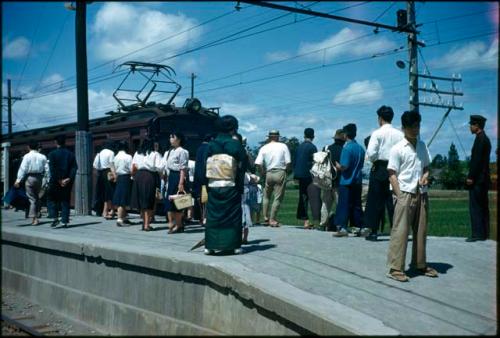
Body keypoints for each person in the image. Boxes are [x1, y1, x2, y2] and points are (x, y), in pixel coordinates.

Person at [386, 110, 438, 282]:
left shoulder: (422, 146)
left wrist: (425, 176)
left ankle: (420, 264)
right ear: (404, 128)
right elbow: (392, 173)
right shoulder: (397, 149)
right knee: (400, 231)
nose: (416, 129)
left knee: (421, 231)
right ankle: (395, 268)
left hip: (421, 193)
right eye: (412, 127)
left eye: (417, 126)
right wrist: (399, 195)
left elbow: (426, 167)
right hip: (404, 194)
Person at [204, 115, 247, 255]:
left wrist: (206, 185)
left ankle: (210, 246)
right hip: (230, 183)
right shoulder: (235, 145)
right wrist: (239, 185)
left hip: (213, 184)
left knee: (213, 215)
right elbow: (242, 167)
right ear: (233, 128)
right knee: (233, 215)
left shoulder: (211, 145)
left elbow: (202, 168)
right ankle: (234, 245)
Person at [364, 106, 404, 241]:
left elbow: (371, 153)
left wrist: (375, 161)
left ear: (380, 118)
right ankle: (397, 230)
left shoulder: (377, 133)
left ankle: (373, 231)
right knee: (393, 200)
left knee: (375, 200)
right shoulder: (400, 134)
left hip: (380, 167)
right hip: (395, 168)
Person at [333, 123, 366, 237]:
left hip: (346, 181)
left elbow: (344, 166)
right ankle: (360, 226)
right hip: (357, 180)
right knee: (357, 204)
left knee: (344, 205)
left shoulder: (347, 148)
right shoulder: (360, 148)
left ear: (345, 134)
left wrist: (337, 165)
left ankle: (342, 227)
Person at [254, 129, 291, 227]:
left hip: (269, 172)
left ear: (269, 137)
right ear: (278, 136)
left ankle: (265, 217)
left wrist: (262, 173)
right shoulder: (283, 146)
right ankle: (273, 219)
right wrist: (286, 171)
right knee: (278, 197)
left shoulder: (264, 147)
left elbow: (258, 163)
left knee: (266, 196)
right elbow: (288, 162)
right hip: (280, 171)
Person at [465, 114, 491, 242]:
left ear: (477, 125)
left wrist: (471, 177)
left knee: (475, 206)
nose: (470, 127)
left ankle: (477, 234)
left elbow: (476, 161)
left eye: (471, 124)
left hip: (478, 180)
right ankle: (484, 233)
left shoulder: (480, 140)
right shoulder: (484, 138)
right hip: (484, 179)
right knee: (483, 206)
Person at [130, 138, 164, 231]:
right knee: (148, 200)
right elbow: (160, 167)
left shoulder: (137, 153)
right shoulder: (155, 154)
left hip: (138, 176)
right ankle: (146, 224)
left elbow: (133, 166)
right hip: (149, 176)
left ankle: (143, 222)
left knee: (141, 200)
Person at [47, 135, 78, 228]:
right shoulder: (71, 154)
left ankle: (55, 218)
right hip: (67, 181)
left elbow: (52, 169)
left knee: (52, 199)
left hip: (55, 181)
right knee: (65, 200)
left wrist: (59, 180)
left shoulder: (52, 154)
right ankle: (64, 221)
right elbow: (74, 168)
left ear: (56, 142)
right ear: (65, 142)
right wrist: (68, 178)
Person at [14, 140, 48, 225]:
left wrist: (18, 180)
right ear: (37, 147)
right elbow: (47, 169)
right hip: (40, 178)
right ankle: (38, 213)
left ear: (29, 147)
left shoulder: (27, 156)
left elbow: (23, 168)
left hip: (30, 178)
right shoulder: (43, 156)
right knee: (37, 197)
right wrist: (48, 180)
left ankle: (34, 218)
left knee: (32, 199)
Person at [294, 127, 321, 229]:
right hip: (309, 175)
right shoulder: (313, 147)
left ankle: (305, 220)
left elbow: (295, 161)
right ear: (313, 136)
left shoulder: (299, 147)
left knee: (303, 197)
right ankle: (317, 220)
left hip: (299, 175)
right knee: (314, 198)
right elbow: (315, 162)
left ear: (304, 135)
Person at [163, 132, 190, 234]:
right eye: (170, 137)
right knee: (170, 201)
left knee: (178, 201)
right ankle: (173, 223)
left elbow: (183, 168)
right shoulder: (171, 151)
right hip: (171, 176)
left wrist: (181, 182)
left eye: (172, 137)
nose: (170, 139)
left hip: (178, 176)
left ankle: (178, 225)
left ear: (179, 139)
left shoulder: (182, 151)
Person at [321, 129, 345, 231]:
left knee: (326, 203)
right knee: (339, 204)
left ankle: (323, 223)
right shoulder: (344, 150)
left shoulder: (326, 149)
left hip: (326, 179)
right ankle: (339, 224)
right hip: (339, 180)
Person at [111, 141, 133, 227]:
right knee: (123, 199)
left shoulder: (116, 157)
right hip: (126, 177)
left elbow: (112, 167)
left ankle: (124, 218)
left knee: (121, 197)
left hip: (119, 177)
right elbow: (131, 169)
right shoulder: (128, 157)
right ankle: (119, 219)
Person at [193, 134, 213, 225]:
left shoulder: (199, 148)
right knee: (206, 199)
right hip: (205, 176)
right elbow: (206, 162)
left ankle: (201, 217)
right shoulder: (208, 147)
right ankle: (205, 217)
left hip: (197, 176)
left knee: (200, 198)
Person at [93, 140, 116, 219]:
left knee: (103, 192)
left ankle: (111, 210)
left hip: (101, 173)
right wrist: (114, 175)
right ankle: (105, 211)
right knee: (109, 193)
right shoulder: (111, 152)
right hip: (108, 172)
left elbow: (95, 165)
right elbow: (111, 164)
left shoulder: (99, 153)